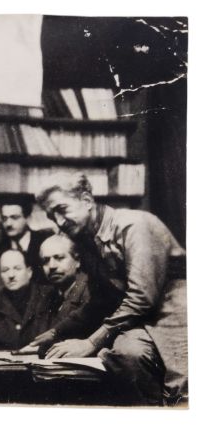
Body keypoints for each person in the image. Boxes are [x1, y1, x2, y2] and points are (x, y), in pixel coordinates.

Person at [35, 172, 187, 405]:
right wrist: (55, 333)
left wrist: (91, 343)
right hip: (142, 321)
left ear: (86, 200)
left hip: (178, 314)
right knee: (126, 354)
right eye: (51, 215)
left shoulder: (134, 225)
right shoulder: (86, 239)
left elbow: (141, 298)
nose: (59, 222)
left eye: (62, 209)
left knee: (184, 392)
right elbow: (102, 301)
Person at [0, 195, 54, 273]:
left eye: (14, 217)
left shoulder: (44, 241)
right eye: (4, 218)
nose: (8, 223)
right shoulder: (0, 248)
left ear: (28, 218)